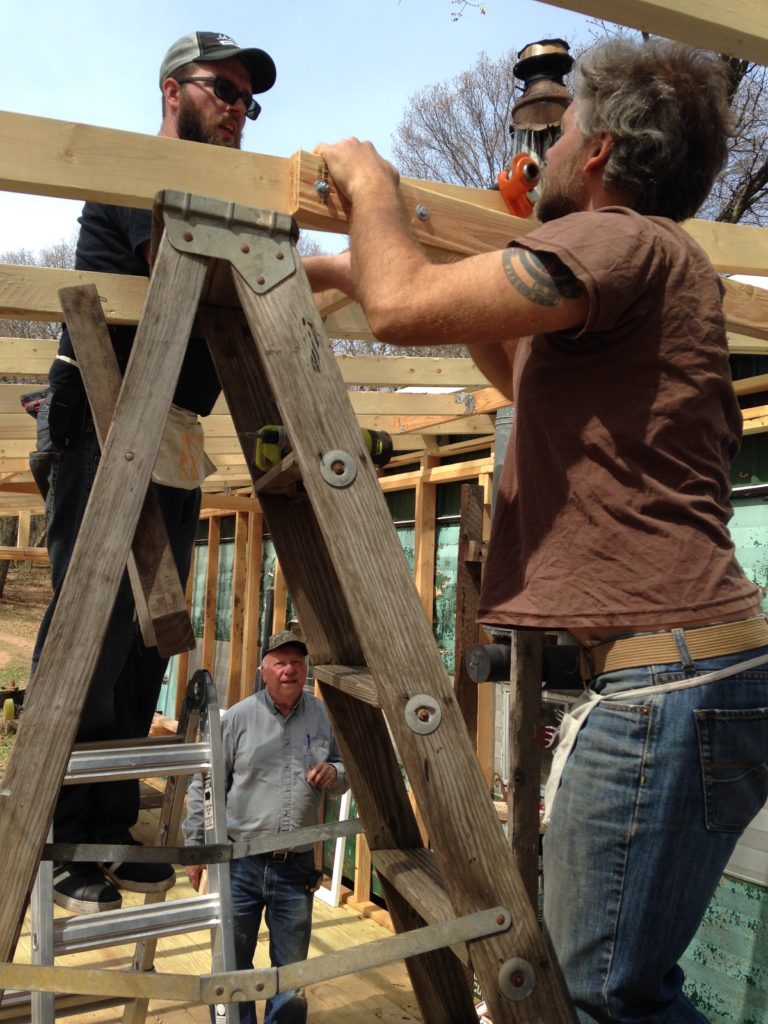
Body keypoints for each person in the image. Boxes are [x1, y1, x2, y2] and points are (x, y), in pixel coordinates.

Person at [303, 37, 768, 1024]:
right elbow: (525, 383)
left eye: (558, 135)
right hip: (695, 673)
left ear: (596, 153)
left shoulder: (617, 240)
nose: (541, 150)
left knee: (604, 996)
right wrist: (427, 260)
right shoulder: (654, 267)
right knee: (619, 987)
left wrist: (370, 180)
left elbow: (397, 306)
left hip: (666, 682)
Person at [29, 30, 277, 915]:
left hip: (168, 426)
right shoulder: (144, 173)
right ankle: (59, 835)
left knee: (146, 633)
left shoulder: (216, 194)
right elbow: (185, 276)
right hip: (101, 411)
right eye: (225, 91)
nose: (240, 111)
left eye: (251, 100)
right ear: (173, 91)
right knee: (91, 622)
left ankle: (108, 826)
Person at [183, 631, 348, 1024]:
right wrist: (196, 849)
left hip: (297, 868)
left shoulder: (324, 716)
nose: (289, 669)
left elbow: (346, 771)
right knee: (232, 969)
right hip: (241, 862)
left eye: (296, 662)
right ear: (264, 670)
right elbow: (204, 785)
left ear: (306, 670)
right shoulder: (239, 717)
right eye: (280, 662)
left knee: (291, 975)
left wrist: (334, 773)